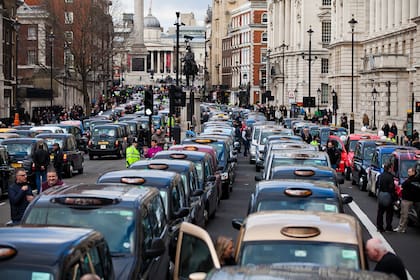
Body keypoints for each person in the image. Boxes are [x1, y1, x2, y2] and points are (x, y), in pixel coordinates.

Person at [394, 167, 420, 233]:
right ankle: (402, 227)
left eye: (409, 172)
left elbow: (402, 186)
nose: (408, 173)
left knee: (404, 214)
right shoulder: (417, 180)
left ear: (414, 172)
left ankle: (401, 228)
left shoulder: (409, 180)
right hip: (415, 200)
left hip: (407, 200)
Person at [376, 162, 397, 232]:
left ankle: (380, 227)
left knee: (380, 212)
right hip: (388, 196)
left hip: (381, 194)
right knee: (389, 212)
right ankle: (388, 227)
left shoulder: (381, 175)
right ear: (389, 168)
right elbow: (391, 188)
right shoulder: (390, 177)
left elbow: (377, 185)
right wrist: (394, 196)